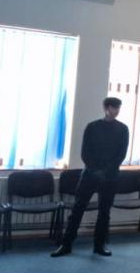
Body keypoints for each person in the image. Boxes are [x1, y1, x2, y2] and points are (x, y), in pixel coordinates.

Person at [52, 97, 129, 257]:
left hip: (110, 177)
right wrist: (95, 170)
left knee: (104, 212)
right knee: (77, 209)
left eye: (118, 108)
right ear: (106, 108)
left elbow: (121, 155)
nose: (116, 111)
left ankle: (99, 246)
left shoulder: (123, 129)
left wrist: (105, 172)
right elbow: (85, 152)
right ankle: (66, 245)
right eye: (114, 107)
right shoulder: (92, 127)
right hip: (89, 175)